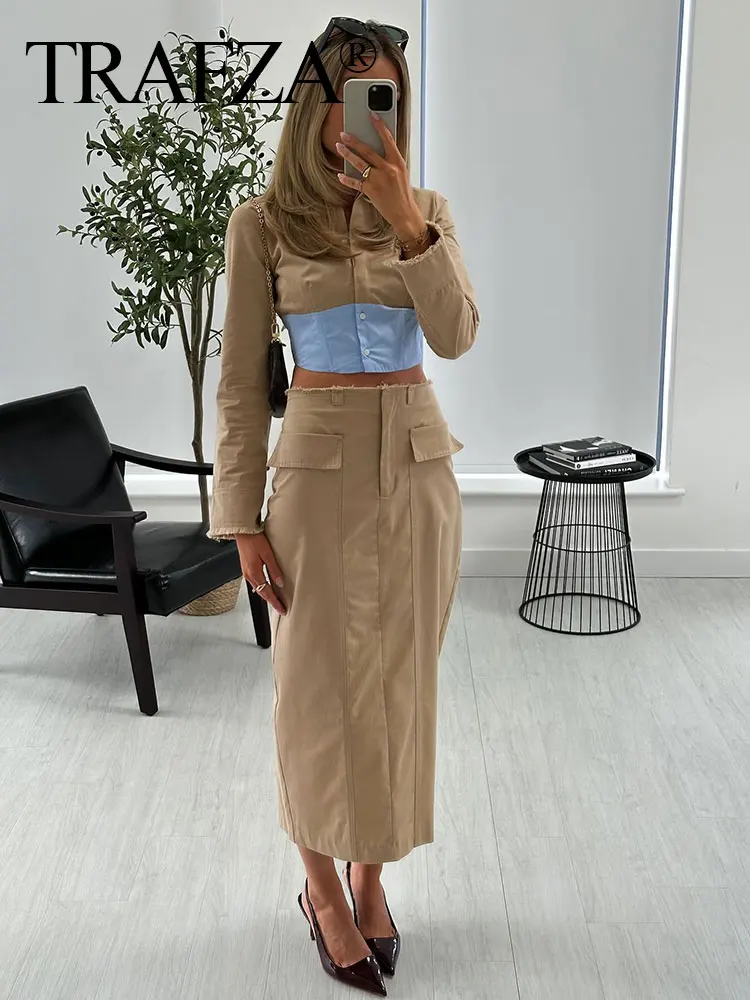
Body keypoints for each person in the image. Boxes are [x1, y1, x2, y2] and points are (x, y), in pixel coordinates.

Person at [208, 16, 480, 997]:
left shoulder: (428, 211)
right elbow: (242, 386)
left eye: (389, 92)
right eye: (359, 89)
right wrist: (241, 520)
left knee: (399, 688)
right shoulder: (262, 224)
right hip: (314, 484)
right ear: (315, 100)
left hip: (418, 470)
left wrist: (409, 226)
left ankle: (371, 880)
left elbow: (456, 335)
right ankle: (319, 886)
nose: (376, 109)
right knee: (315, 693)